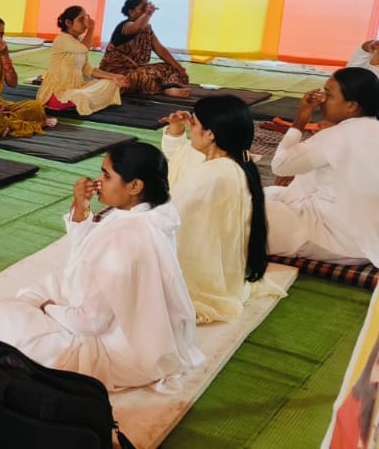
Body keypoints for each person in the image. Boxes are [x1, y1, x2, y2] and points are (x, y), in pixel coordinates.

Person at [0, 142, 205, 392]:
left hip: (117, 351)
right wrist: (81, 207)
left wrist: (48, 307)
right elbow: (86, 253)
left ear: (135, 185)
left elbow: (91, 322)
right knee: (37, 291)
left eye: (107, 175)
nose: (98, 181)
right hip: (140, 336)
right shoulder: (153, 214)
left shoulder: (125, 238)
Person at [161, 96, 281, 323]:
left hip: (201, 273)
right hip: (227, 270)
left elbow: (164, 219)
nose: (190, 128)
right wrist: (176, 130)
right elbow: (179, 161)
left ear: (210, 134)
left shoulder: (210, 175)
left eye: (194, 123)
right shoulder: (236, 163)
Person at [265, 68, 379, 266]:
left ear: (351, 106)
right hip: (368, 237)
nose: (322, 100)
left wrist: (301, 119)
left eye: (329, 94)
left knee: (242, 212)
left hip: (335, 237)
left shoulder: (335, 136)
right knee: (267, 193)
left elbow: (280, 166)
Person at [36, 5, 125, 114]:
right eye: (81, 19)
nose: (85, 23)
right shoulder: (62, 39)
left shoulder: (80, 39)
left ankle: (83, 100)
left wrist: (113, 77)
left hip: (78, 87)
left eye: (86, 19)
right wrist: (91, 28)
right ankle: (78, 102)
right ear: (69, 23)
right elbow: (85, 47)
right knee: (80, 96)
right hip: (59, 92)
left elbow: (88, 70)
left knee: (109, 84)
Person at [99, 0, 190, 97]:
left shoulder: (147, 29)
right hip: (116, 74)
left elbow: (160, 50)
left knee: (171, 68)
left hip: (137, 70)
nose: (146, 11)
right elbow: (137, 27)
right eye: (143, 8)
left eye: (147, 7)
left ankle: (166, 88)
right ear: (131, 12)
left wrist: (180, 69)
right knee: (142, 76)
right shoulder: (125, 26)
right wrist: (149, 12)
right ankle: (164, 90)